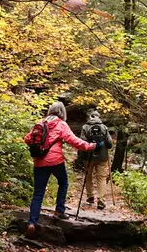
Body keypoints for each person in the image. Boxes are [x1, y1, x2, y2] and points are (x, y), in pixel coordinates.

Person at [23, 101, 99, 237]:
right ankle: (59, 211)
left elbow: (27, 139)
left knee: (38, 193)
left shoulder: (41, 123)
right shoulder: (61, 124)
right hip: (55, 161)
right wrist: (89, 146)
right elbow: (74, 141)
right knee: (63, 183)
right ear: (62, 112)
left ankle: (32, 223)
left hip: (39, 162)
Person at [80, 110, 113, 210]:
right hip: (102, 157)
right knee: (101, 178)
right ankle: (101, 200)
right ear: (99, 117)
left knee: (88, 176)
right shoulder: (103, 127)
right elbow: (110, 143)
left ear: (90, 117)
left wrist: (81, 156)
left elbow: (82, 142)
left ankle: (90, 196)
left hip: (88, 157)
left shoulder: (85, 127)